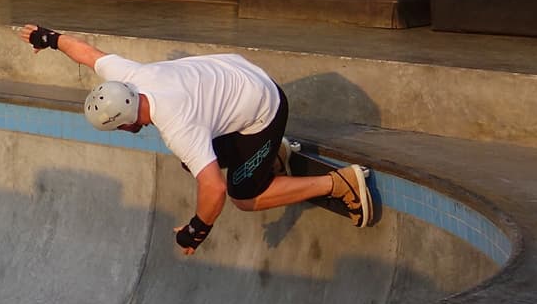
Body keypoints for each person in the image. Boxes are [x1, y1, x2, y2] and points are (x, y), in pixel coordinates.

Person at [19, 23, 372, 255]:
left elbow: (214, 190)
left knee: (242, 196)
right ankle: (270, 156)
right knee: (195, 162)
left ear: (125, 124)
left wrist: (196, 230)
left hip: (266, 106)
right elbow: (87, 53)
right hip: (239, 75)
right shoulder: (126, 77)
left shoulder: (178, 125)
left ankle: (339, 183)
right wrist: (46, 38)